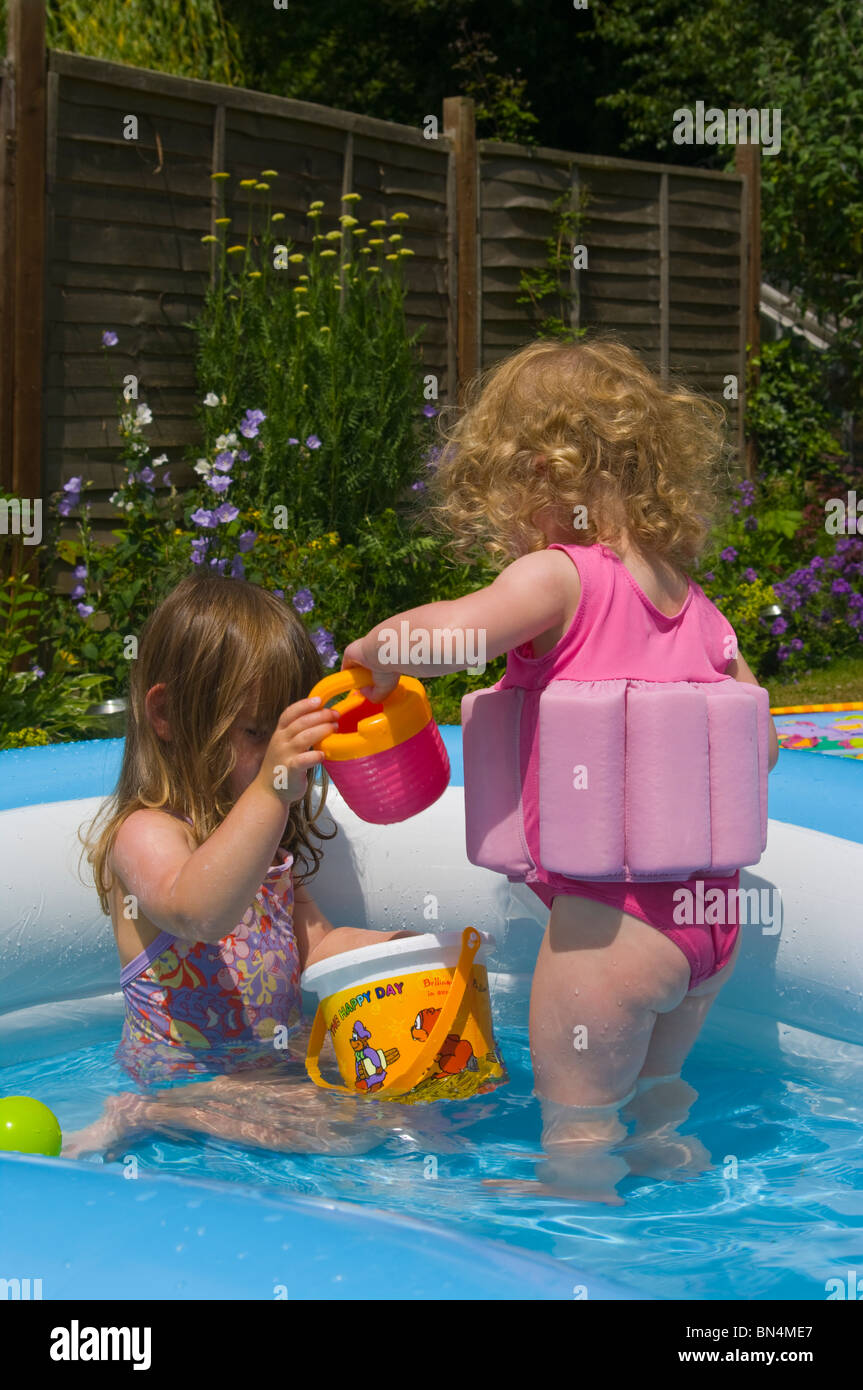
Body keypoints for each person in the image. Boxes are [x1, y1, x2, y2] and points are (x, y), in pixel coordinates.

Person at [339, 336, 780, 1200]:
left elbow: (453, 634)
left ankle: (575, 1225)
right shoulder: (701, 610)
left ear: (540, 470)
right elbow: (754, 747)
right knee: (654, 1106)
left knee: (575, 1130)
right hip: (706, 926)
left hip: (609, 935)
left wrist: (377, 648)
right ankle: (671, 1180)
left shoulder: (559, 575)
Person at [64, 575, 418, 1157]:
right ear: (168, 713)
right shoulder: (145, 832)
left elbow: (317, 943)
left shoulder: (269, 849)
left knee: (414, 1071)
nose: (280, 753)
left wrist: (395, 957)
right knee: (347, 1131)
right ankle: (143, 1114)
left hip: (268, 1066)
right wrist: (273, 790)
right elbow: (197, 912)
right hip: (189, 1080)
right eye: (258, 732)